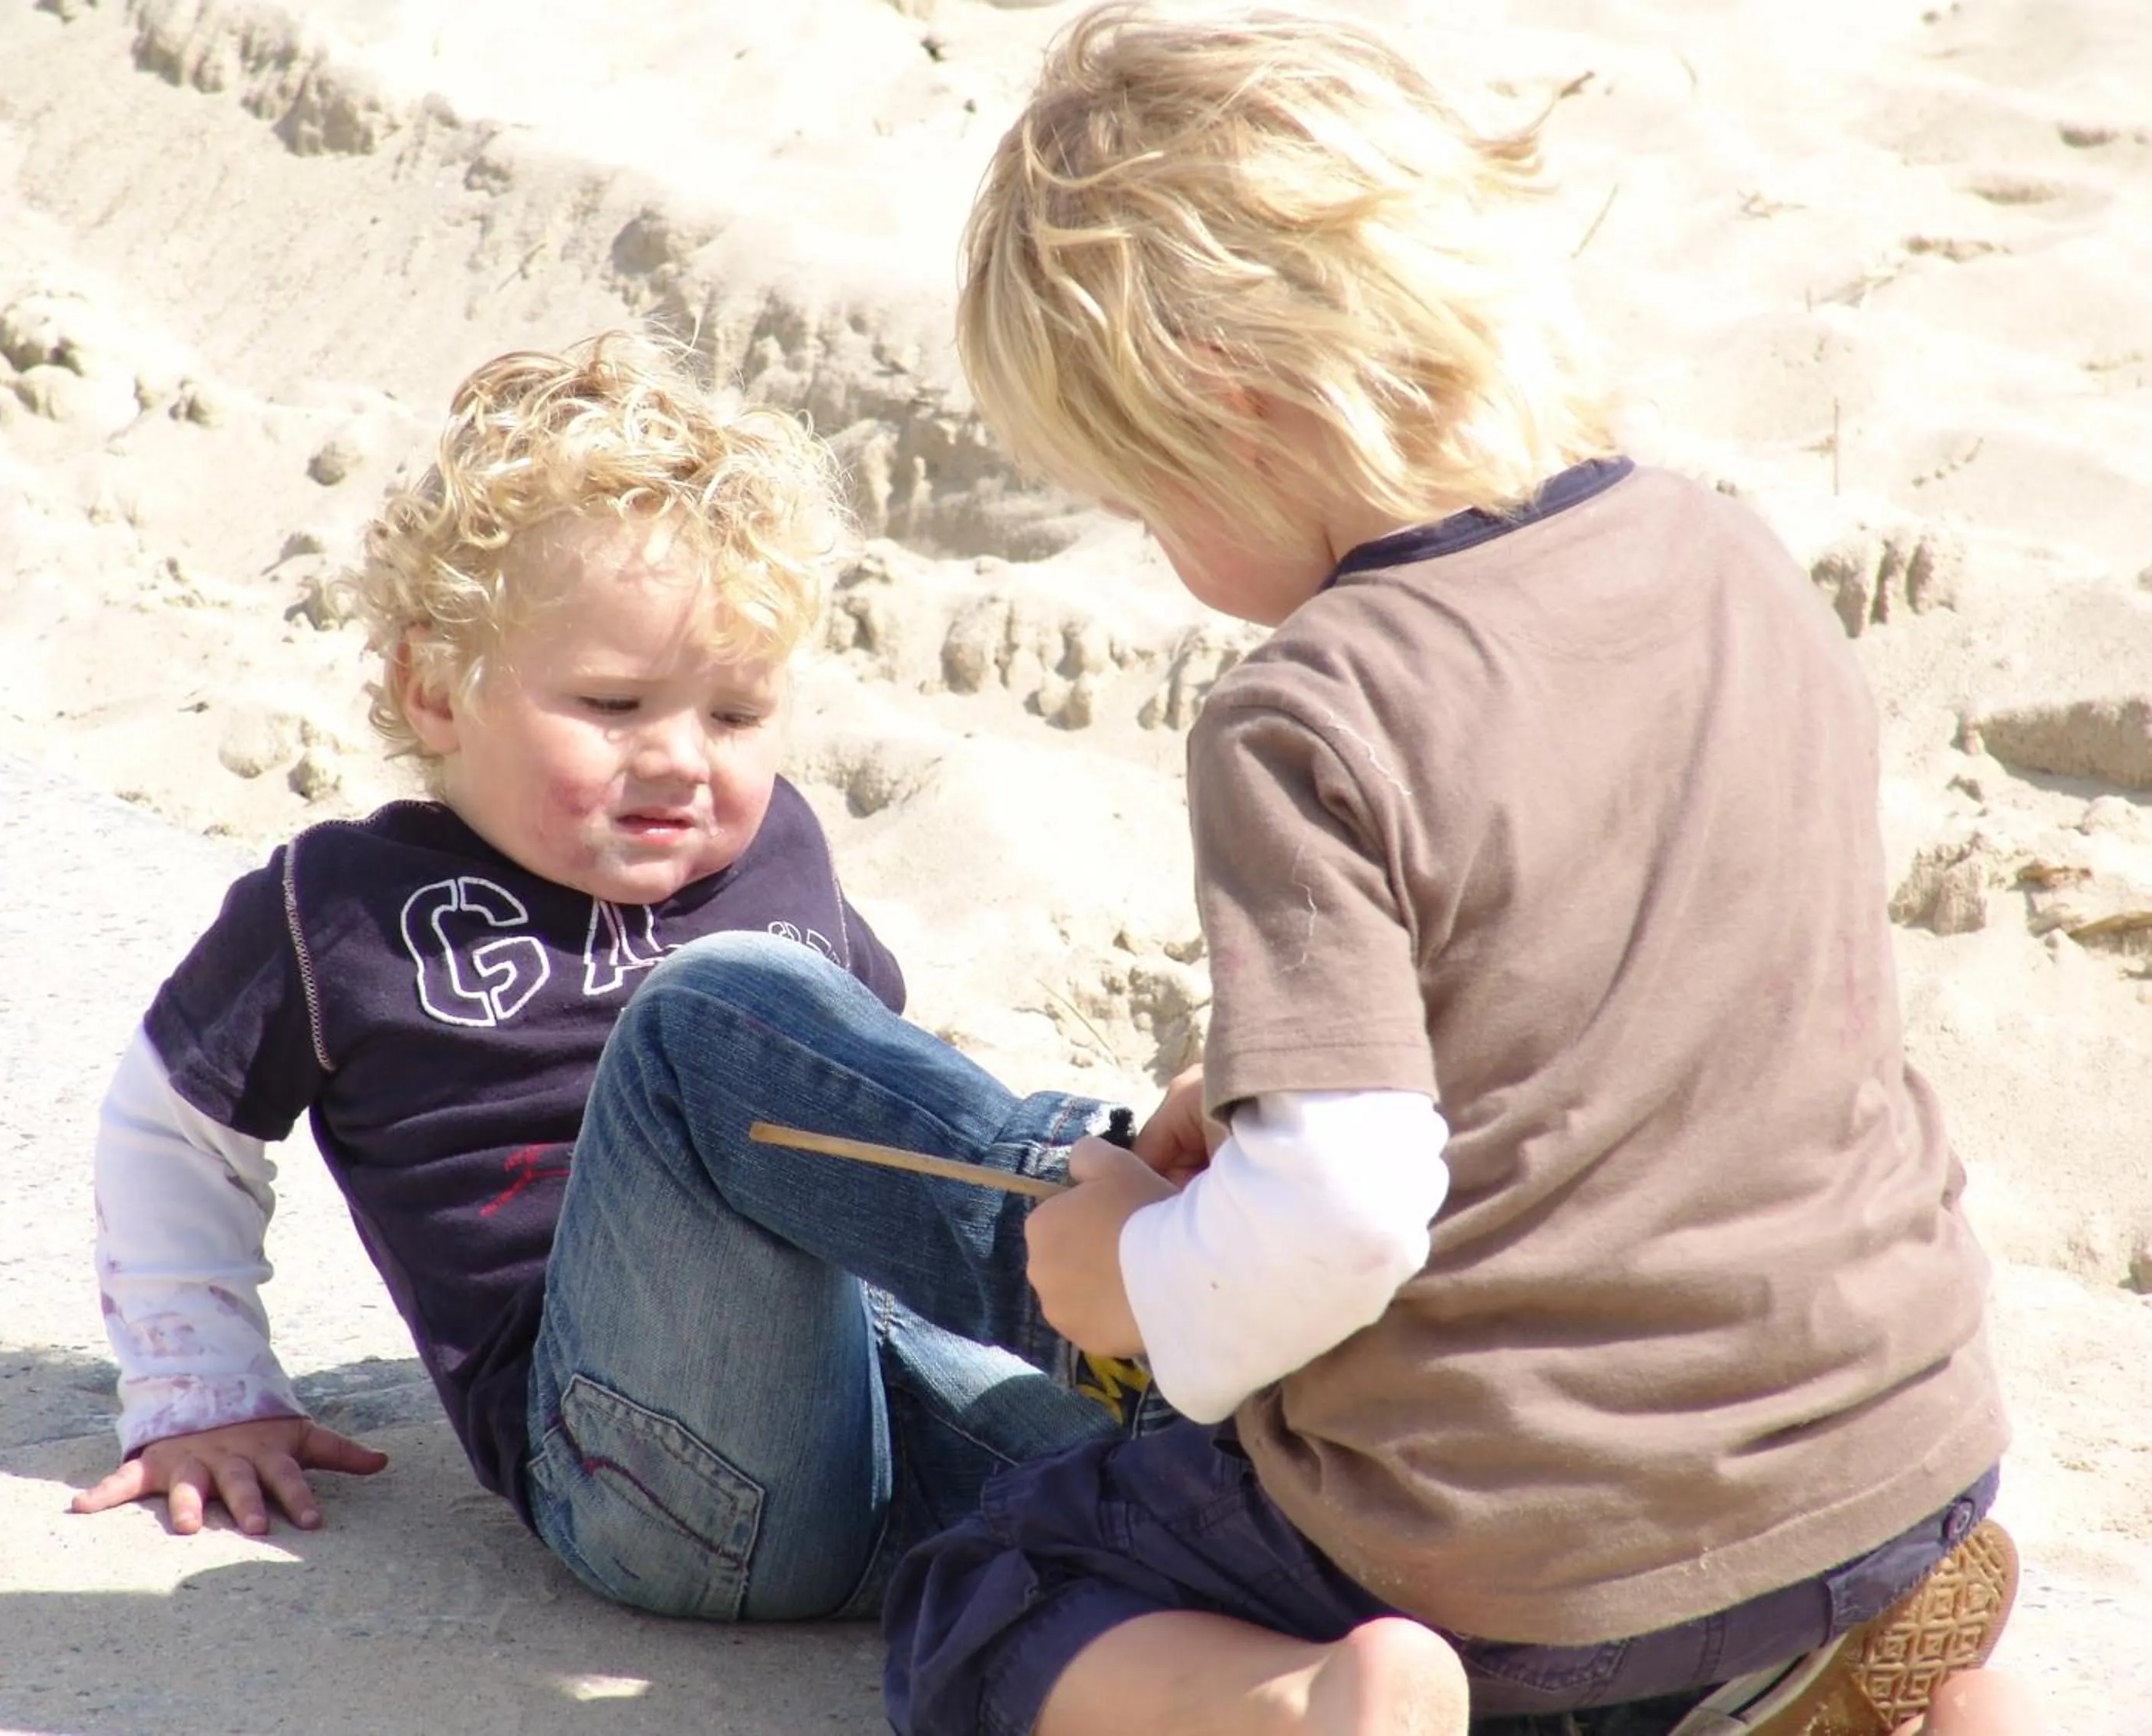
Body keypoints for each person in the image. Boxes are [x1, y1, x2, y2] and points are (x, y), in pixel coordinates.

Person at [866, 5, 2046, 1734]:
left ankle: (1320, 1710)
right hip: (1891, 1466)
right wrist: (1270, 1103)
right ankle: (1928, 1693)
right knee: (1822, 1568)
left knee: (992, 1593)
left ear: (1232, 410)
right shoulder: (1731, 558)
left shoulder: (1310, 709)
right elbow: (1681, 1015)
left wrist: (1133, 1268)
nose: (1171, 551)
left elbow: (1344, 1214)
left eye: (1146, 498)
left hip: (1515, 1555)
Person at [69, 328, 1128, 1615]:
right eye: (617, 705)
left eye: (734, 714)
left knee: (1149, 1480)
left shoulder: (777, 845)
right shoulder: (345, 907)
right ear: (438, 691)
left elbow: (882, 1128)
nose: (685, 757)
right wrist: (203, 1395)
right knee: (706, 1021)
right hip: (641, 1474)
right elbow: (172, 1132)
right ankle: (1109, 1243)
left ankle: (1226, 1437)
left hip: (870, 1419)